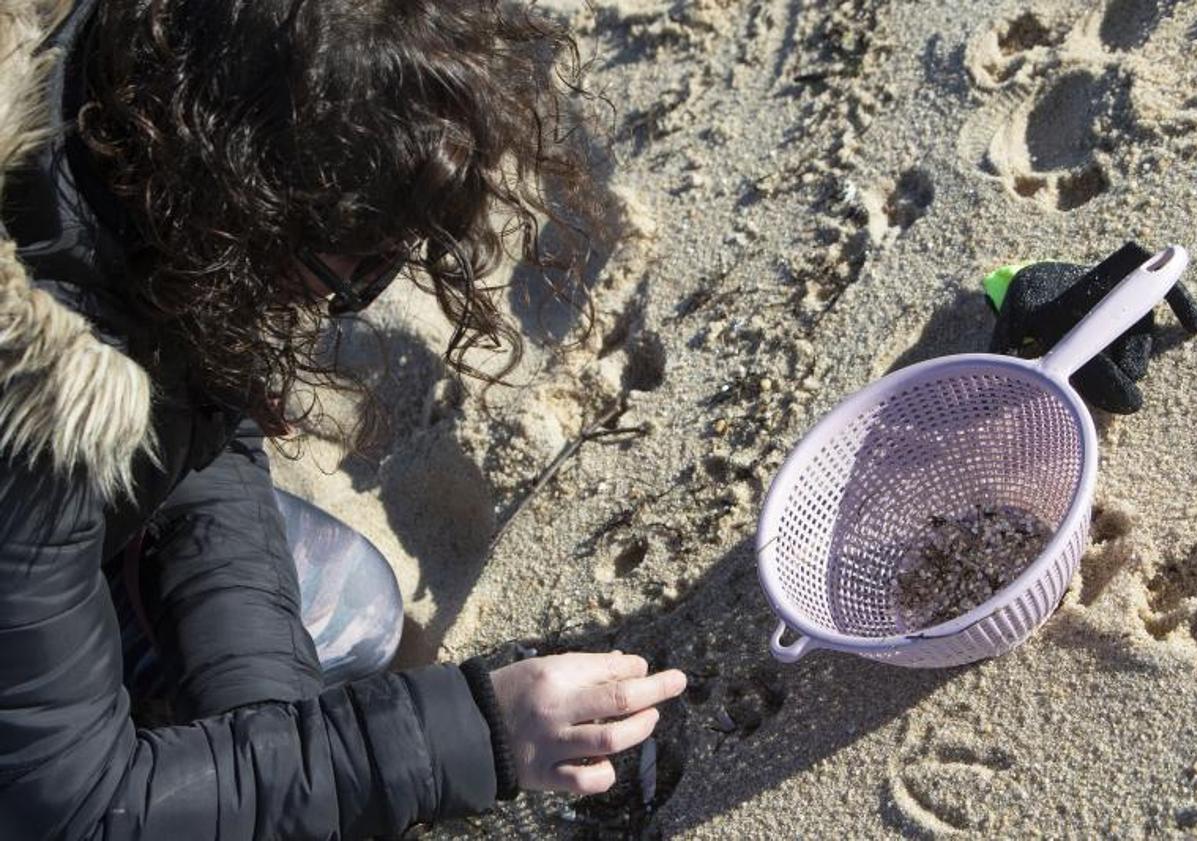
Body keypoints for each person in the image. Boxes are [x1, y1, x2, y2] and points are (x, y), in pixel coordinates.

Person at [0, 0, 687, 838]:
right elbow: (71, 811)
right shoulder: (31, 404)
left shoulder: (117, 106)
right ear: (245, 188)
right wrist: (474, 735)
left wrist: (273, 726)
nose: (345, 294)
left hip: (60, 561)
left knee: (349, 610)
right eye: (358, 260)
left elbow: (192, 440)